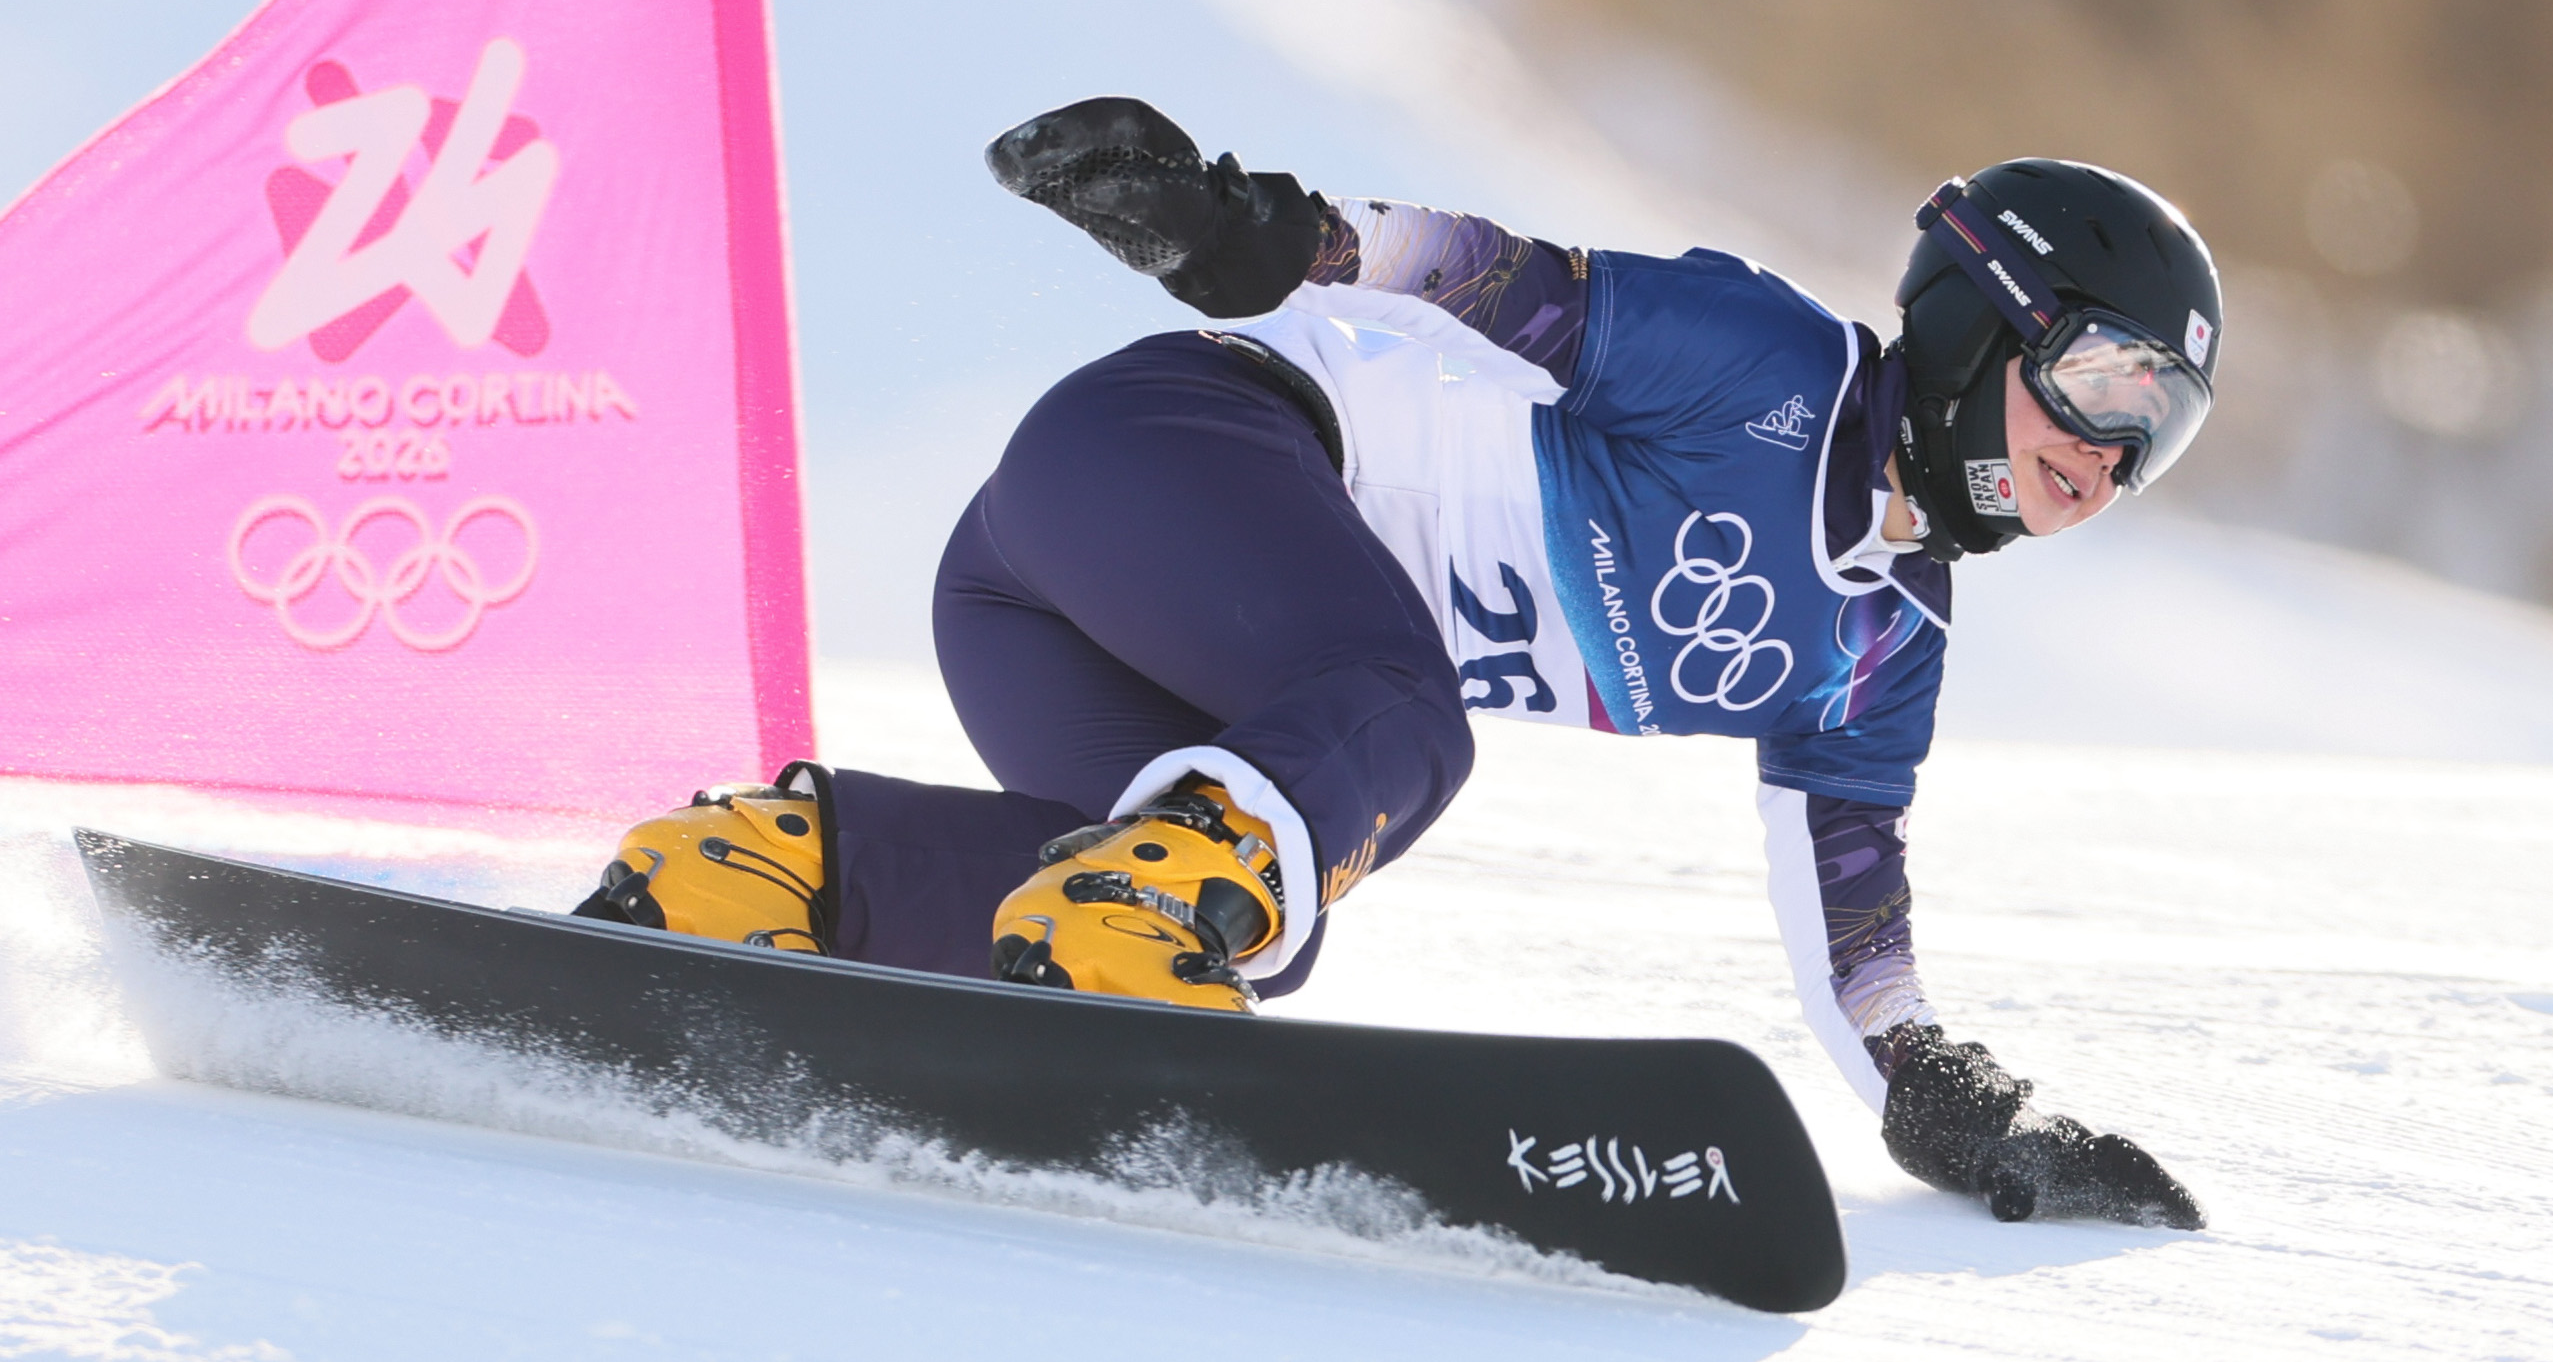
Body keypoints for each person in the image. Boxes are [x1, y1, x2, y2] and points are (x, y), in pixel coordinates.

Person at [573, 98, 2209, 1228]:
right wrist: (1262, 231)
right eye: (2105, 381)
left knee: (1217, 920)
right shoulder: (1774, 369)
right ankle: (1109, 899)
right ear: (1982, 318)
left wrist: (1944, 1093)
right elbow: (1506, 285)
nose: (2112, 457)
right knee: (1396, 721)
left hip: (1061, 619)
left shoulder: (1883, 646)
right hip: (1164, 449)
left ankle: (774, 869)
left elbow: (1853, 910)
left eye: (2164, 434)